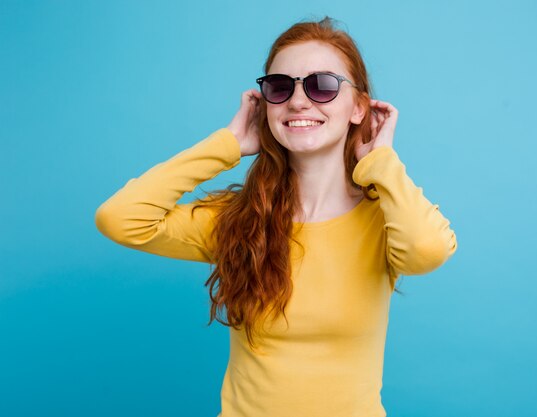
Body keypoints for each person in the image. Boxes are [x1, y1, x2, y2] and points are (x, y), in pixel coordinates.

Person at [95, 16, 457, 417]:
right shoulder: (239, 220)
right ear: (265, 104)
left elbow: (427, 250)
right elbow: (120, 218)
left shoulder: (386, 218)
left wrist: (381, 162)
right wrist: (228, 144)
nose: (298, 101)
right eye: (281, 87)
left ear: (358, 107)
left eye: (322, 85)